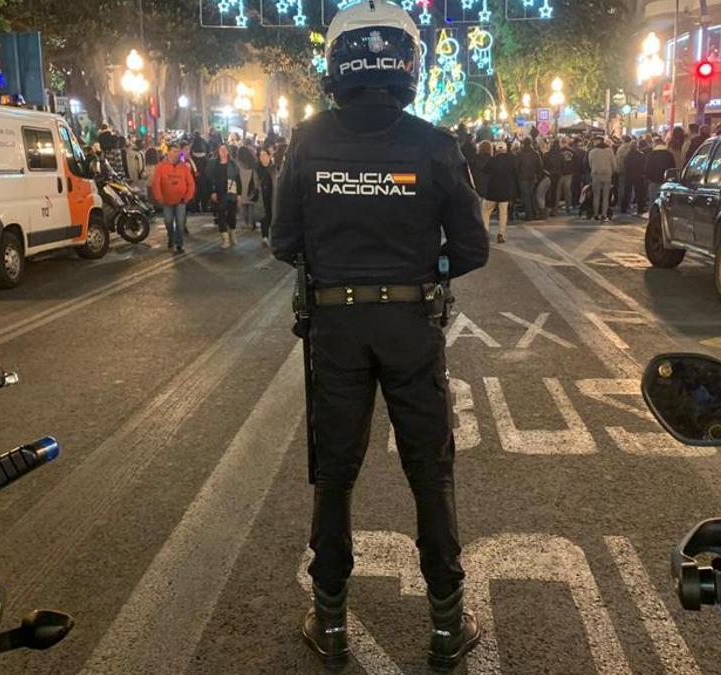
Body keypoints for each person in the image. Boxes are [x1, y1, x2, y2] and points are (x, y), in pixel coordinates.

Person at [271, 1, 488, 668]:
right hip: (411, 328)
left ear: (336, 65)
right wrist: (430, 264)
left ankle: (330, 620)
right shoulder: (434, 144)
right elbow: (472, 248)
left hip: (335, 330)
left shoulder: (306, 142)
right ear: (408, 63)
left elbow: (284, 242)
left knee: (334, 473)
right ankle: (448, 622)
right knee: (430, 470)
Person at [150, 142, 196, 253]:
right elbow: (156, 183)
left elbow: (191, 183)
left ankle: (179, 243)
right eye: (174, 151)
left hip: (181, 201)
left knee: (180, 223)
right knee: (168, 221)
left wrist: (187, 197)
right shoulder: (161, 167)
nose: (176, 154)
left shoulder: (184, 167)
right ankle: (171, 237)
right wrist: (159, 197)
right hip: (167, 201)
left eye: (178, 152)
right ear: (168, 152)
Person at [483, 140, 517, 243]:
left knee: (486, 212)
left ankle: (485, 233)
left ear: (496, 150)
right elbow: (514, 173)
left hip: (492, 191)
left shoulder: (492, 160)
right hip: (505, 191)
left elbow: (485, 170)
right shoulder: (511, 161)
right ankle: (500, 235)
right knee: (503, 214)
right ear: (506, 149)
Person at [209, 144, 242, 249]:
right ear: (218, 151)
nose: (223, 152)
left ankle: (232, 233)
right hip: (220, 193)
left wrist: (239, 194)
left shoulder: (233, 165)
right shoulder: (215, 164)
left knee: (232, 216)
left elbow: (238, 179)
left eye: (225, 150)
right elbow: (211, 179)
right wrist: (213, 191)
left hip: (231, 192)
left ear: (228, 151)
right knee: (221, 215)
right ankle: (225, 238)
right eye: (221, 150)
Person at [587, 137, 617, 222]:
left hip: (596, 175)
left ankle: (595, 215)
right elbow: (614, 165)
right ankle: (604, 215)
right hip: (607, 175)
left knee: (596, 196)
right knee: (606, 196)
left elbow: (590, 164)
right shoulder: (610, 152)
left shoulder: (592, 152)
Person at [646, 135, 677, 209]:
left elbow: (647, 168)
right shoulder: (669, 154)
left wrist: (649, 177)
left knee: (653, 202)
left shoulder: (651, 155)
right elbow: (672, 167)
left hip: (654, 181)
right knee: (665, 203)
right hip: (666, 182)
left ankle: (653, 218)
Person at [253, 147, 276, 247]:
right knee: (264, 217)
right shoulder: (257, 169)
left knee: (273, 216)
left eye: (264, 155)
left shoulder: (274, 168)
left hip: (273, 196)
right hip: (262, 197)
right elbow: (254, 183)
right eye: (260, 155)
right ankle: (265, 237)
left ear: (269, 156)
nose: (262, 158)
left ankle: (273, 236)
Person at [517, 138, 543, 221]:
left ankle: (529, 215)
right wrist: (537, 175)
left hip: (523, 177)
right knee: (532, 195)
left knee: (526, 196)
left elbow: (516, 167)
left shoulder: (520, 154)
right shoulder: (535, 153)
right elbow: (540, 165)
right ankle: (535, 213)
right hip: (533, 177)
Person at [623, 139, 649, 215]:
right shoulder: (640, 155)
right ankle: (640, 208)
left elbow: (625, 165)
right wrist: (643, 173)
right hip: (638, 176)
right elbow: (643, 166)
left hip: (629, 175)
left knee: (627, 192)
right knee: (639, 193)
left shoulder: (627, 155)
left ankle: (623, 208)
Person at [236, 145, 258, 231]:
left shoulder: (238, 164)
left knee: (244, 205)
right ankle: (252, 223)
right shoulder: (253, 163)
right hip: (251, 186)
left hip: (242, 186)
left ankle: (246, 223)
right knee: (252, 205)